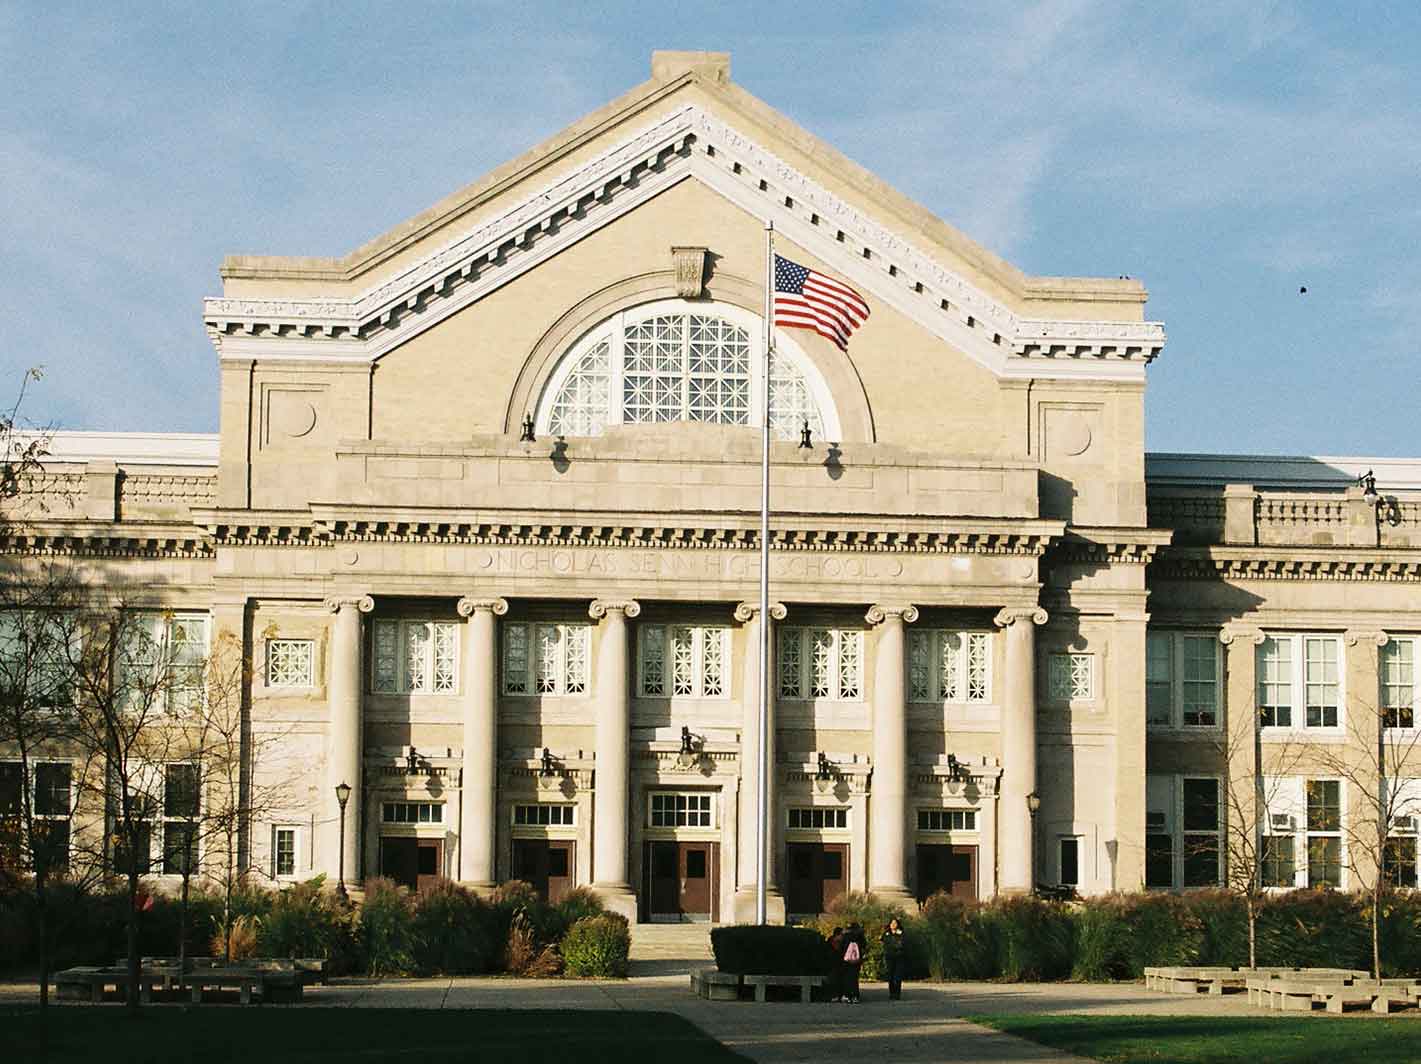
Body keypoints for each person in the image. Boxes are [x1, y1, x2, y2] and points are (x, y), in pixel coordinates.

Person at [881, 917, 906, 1000]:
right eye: (892, 923)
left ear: (898, 924)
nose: (893, 925)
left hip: (899, 957)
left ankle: (897, 994)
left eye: (895, 923)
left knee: (898, 977)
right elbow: (884, 942)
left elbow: (902, 944)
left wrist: (896, 943)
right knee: (890, 976)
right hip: (889, 957)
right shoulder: (886, 933)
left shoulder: (901, 933)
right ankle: (892, 993)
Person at [842, 921, 865, 1003]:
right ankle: (855, 996)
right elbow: (864, 946)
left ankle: (847, 995)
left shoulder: (845, 935)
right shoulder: (860, 936)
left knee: (847, 978)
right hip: (856, 960)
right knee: (854, 978)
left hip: (847, 959)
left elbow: (842, 947)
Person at [826, 926, 845, 1002]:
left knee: (838, 979)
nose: (843, 936)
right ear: (838, 935)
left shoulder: (832, 941)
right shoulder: (834, 942)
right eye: (841, 935)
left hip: (837, 964)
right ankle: (835, 995)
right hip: (834, 964)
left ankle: (837, 995)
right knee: (834, 979)